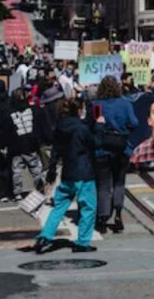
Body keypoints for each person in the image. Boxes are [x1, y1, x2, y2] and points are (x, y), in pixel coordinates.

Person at [33, 99, 104, 254]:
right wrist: (99, 126)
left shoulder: (60, 128)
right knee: (88, 208)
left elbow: (55, 152)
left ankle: (45, 235)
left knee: (59, 207)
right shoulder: (82, 128)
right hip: (84, 172)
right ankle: (82, 242)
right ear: (78, 110)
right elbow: (96, 143)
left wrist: (51, 172)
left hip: (68, 172)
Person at [92, 75, 138, 234]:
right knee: (119, 182)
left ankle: (103, 217)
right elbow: (134, 123)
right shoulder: (125, 104)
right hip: (121, 148)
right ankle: (118, 213)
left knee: (103, 184)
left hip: (102, 149)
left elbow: (95, 124)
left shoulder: (97, 105)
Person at [7, 88, 47, 200]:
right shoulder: (33, 110)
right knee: (36, 169)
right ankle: (40, 189)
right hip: (31, 144)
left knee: (17, 171)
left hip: (16, 146)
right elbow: (39, 125)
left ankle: (17, 192)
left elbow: (7, 130)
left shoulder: (9, 113)